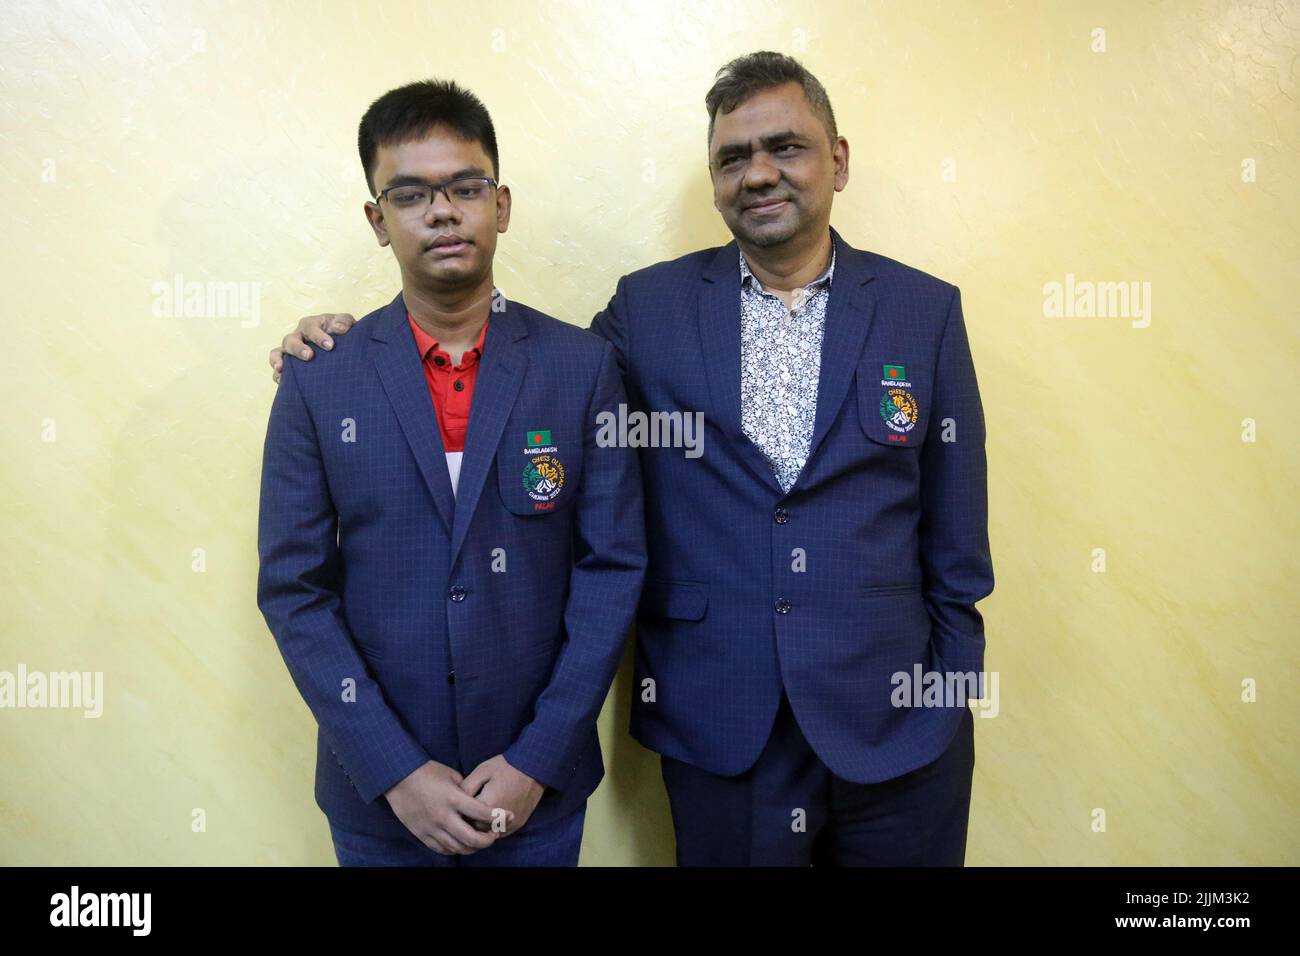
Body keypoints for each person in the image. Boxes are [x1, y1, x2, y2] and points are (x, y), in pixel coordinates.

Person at [270, 52, 993, 867]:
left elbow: (957, 541)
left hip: (898, 728)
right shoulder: (647, 312)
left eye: (785, 147)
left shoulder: (923, 312)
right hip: (724, 729)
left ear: (839, 159)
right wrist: (333, 350)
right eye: (731, 158)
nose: (758, 174)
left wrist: (948, 696)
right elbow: (521, 370)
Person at [257, 80, 645, 866]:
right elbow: (294, 590)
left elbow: (612, 571)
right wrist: (393, 768)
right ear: (378, 219)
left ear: (500, 205)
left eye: (465, 187)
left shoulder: (583, 369)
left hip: (535, 792)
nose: (441, 211)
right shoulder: (319, 379)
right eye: (409, 193)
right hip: (380, 801)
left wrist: (539, 756)